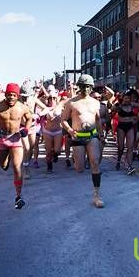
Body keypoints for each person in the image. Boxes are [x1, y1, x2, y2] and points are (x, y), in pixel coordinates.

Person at [0, 83, 32, 209]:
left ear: (17, 96)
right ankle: (7, 158)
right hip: (2, 139)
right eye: (9, 95)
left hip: (15, 138)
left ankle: (19, 195)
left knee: (17, 167)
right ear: (5, 95)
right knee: (4, 166)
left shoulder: (23, 107)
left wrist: (26, 129)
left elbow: (29, 119)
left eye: (14, 95)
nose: (11, 97)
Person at [61, 74, 105, 208]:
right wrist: (70, 131)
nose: (85, 89)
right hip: (77, 136)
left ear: (91, 87)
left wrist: (101, 134)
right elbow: (63, 120)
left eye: (87, 86)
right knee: (79, 168)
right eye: (82, 86)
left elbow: (97, 119)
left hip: (92, 136)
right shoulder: (72, 102)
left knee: (95, 163)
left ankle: (97, 195)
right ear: (79, 87)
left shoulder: (95, 102)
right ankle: (79, 159)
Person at [111, 91, 137, 174]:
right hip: (121, 127)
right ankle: (118, 160)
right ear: (123, 98)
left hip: (130, 126)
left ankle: (129, 165)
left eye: (128, 98)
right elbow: (111, 110)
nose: (127, 100)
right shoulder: (119, 106)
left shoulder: (132, 105)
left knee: (130, 147)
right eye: (125, 98)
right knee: (121, 147)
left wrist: (138, 96)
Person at [42, 89, 65, 173]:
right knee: (48, 151)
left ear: (57, 99)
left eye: (54, 98)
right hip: (47, 131)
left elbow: (70, 98)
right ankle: (49, 166)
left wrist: (72, 88)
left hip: (58, 131)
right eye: (50, 98)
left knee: (57, 150)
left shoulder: (61, 107)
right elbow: (35, 100)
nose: (52, 100)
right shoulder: (45, 108)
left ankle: (54, 155)